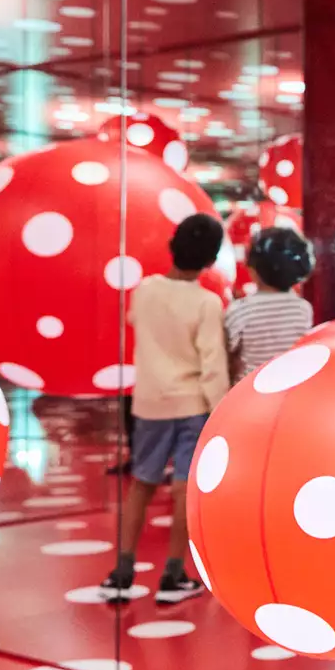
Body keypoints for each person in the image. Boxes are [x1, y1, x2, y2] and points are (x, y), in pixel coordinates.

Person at [100, 213, 228, 604]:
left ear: (173, 246)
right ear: (210, 260)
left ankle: (122, 569)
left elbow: (134, 321)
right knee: (183, 490)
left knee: (142, 482)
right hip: (192, 404)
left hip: (150, 402)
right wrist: (221, 409)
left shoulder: (145, 290)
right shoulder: (208, 303)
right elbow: (213, 363)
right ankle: (174, 574)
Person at [225, 227, 314, 384]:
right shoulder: (303, 309)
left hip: (250, 390)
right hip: (291, 387)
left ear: (253, 270)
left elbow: (229, 357)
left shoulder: (240, 310)